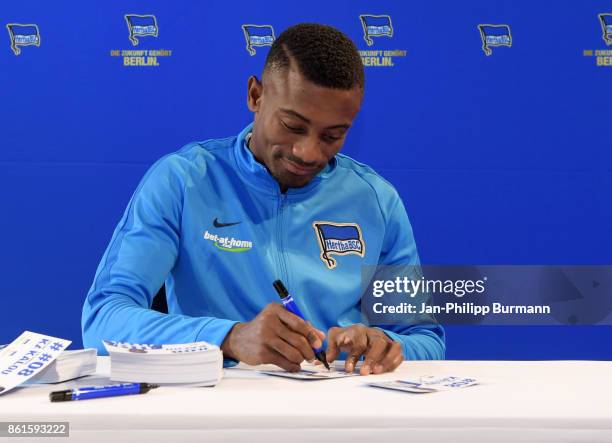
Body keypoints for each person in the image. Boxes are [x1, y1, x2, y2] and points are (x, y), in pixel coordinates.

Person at [82, 23, 445, 375]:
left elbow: (425, 340)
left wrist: (382, 343)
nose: (307, 152)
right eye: (292, 126)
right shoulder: (182, 181)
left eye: (332, 135)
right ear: (256, 95)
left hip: (342, 415)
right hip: (219, 414)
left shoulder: (377, 200)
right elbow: (103, 319)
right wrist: (228, 338)